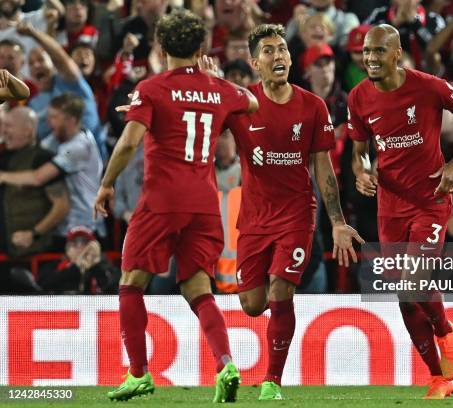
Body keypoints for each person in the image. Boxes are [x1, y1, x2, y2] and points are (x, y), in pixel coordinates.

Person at [93, 10, 258, 403]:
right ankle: (226, 362)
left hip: (162, 202)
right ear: (201, 49)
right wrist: (213, 81)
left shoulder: (151, 88)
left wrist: (106, 183)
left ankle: (138, 373)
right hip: (204, 204)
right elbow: (251, 102)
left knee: (131, 283)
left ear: (161, 47)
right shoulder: (219, 89)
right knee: (199, 288)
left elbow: (131, 142)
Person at [223, 24, 363, 400]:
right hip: (254, 217)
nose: (278, 56)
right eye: (268, 51)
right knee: (253, 306)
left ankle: (272, 380)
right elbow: (199, 116)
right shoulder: (241, 104)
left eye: (282, 49)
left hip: (297, 214)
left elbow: (324, 170)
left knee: (281, 291)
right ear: (256, 62)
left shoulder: (313, 107)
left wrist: (336, 222)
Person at [349, 24, 453, 399]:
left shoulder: (427, 86)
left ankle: (444, 329)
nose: (371, 59)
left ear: (397, 54)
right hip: (390, 206)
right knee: (403, 294)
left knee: (413, 281)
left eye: (379, 51)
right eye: (367, 52)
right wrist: (361, 170)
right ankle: (438, 378)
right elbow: (359, 148)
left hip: (431, 199)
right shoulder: (358, 97)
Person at [0, 94, 103, 240]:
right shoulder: (57, 138)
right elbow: (34, 147)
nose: (49, 122)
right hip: (63, 227)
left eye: (54, 117)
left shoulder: (79, 147)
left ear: (71, 120)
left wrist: (3, 176)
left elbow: (38, 177)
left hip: (84, 227)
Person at [18, 21, 106, 159]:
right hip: (54, 171)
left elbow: (60, 57)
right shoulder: (32, 104)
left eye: (41, 60)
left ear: (53, 65)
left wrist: (33, 33)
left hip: (92, 166)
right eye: (31, 63)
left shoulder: (72, 83)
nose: (36, 65)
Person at [0, 106, 69, 257]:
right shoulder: (3, 156)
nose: (4, 131)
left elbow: (62, 205)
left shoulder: (42, 159)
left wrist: (33, 234)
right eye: (3, 126)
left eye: (9, 126)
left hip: (29, 254)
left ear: (28, 130)